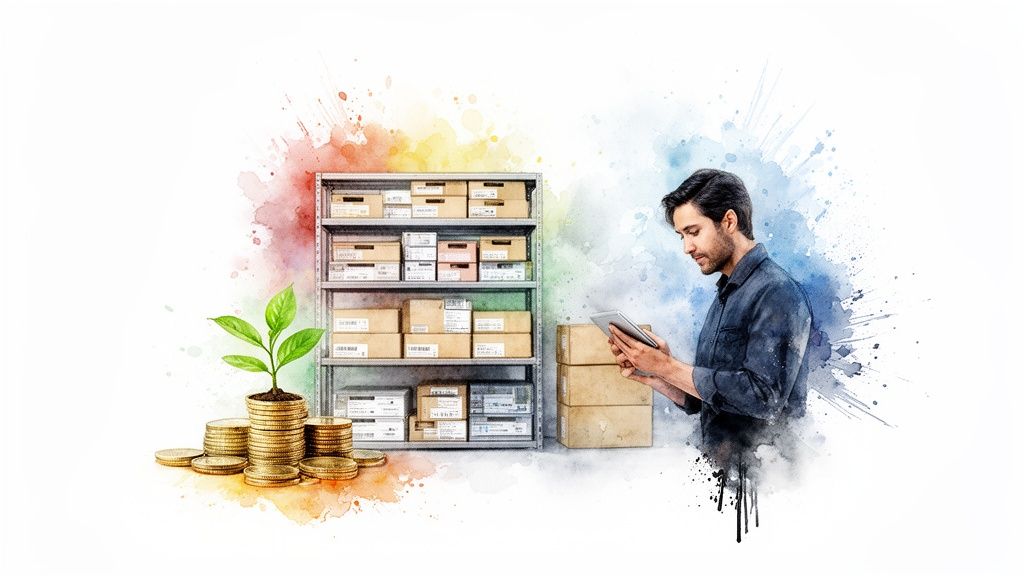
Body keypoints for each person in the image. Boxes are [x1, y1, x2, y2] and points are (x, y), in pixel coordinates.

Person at [607, 168, 813, 466]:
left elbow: (762, 398)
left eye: (693, 232)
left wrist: (669, 366)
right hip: (723, 470)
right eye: (682, 236)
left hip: (762, 477)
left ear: (729, 221)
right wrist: (658, 374)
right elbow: (712, 399)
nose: (687, 248)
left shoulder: (776, 292)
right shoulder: (727, 292)